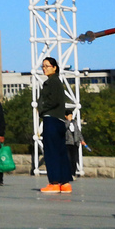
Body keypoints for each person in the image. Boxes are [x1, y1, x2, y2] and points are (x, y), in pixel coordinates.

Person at [36, 58, 73, 194]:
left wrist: (42, 108)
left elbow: (53, 101)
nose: (44, 68)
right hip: (59, 121)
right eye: (43, 66)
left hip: (51, 119)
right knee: (60, 151)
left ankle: (55, 182)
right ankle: (65, 183)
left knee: (51, 152)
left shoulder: (51, 82)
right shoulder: (57, 82)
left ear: (55, 67)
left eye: (47, 66)